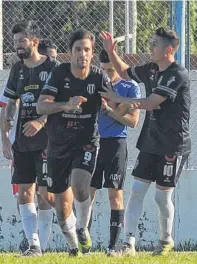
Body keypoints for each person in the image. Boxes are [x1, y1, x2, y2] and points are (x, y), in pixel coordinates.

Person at [99, 28, 191, 256]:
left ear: (168, 50)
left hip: (173, 144)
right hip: (151, 141)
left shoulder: (177, 74)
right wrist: (111, 52)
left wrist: (119, 99)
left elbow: (151, 102)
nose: (150, 47)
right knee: (137, 190)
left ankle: (166, 240)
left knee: (162, 196)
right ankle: (128, 244)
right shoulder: (151, 69)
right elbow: (124, 71)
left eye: (155, 44)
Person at [37, 29, 125, 256]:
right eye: (78, 49)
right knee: (61, 204)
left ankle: (83, 227)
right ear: (70, 52)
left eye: (87, 50)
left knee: (79, 184)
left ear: (92, 52)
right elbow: (41, 106)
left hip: (86, 140)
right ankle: (73, 246)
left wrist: (126, 103)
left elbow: (115, 102)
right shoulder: (59, 74)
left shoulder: (99, 77)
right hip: (58, 144)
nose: (82, 54)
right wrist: (65, 105)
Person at [0, 37, 60, 254]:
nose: (17, 46)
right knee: (24, 192)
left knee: (47, 195)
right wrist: (5, 135)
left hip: (49, 142)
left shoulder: (55, 70)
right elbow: (8, 103)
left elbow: (62, 105)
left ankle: (53, 238)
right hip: (22, 142)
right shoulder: (18, 69)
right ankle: (34, 245)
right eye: (14, 41)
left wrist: (41, 121)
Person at [89, 50, 141, 256]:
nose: (107, 74)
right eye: (103, 70)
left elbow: (133, 121)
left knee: (114, 195)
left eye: (111, 70)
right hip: (92, 143)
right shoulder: (94, 84)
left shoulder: (129, 87)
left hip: (115, 144)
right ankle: (84, 244)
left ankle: (113, 246)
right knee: (87, 194)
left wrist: (110, 110)